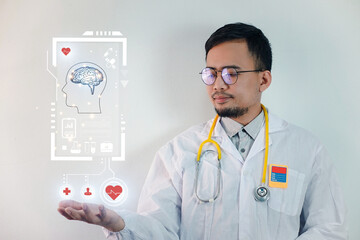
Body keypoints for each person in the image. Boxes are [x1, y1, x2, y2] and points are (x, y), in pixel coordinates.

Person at [58, 22, 348, 239]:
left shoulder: (305, 149)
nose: (218, 84)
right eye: (211, 73)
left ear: (263, 79)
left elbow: (329, 229)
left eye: (231, 73)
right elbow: (160, 229)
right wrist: (118, 223)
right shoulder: (179, 151)